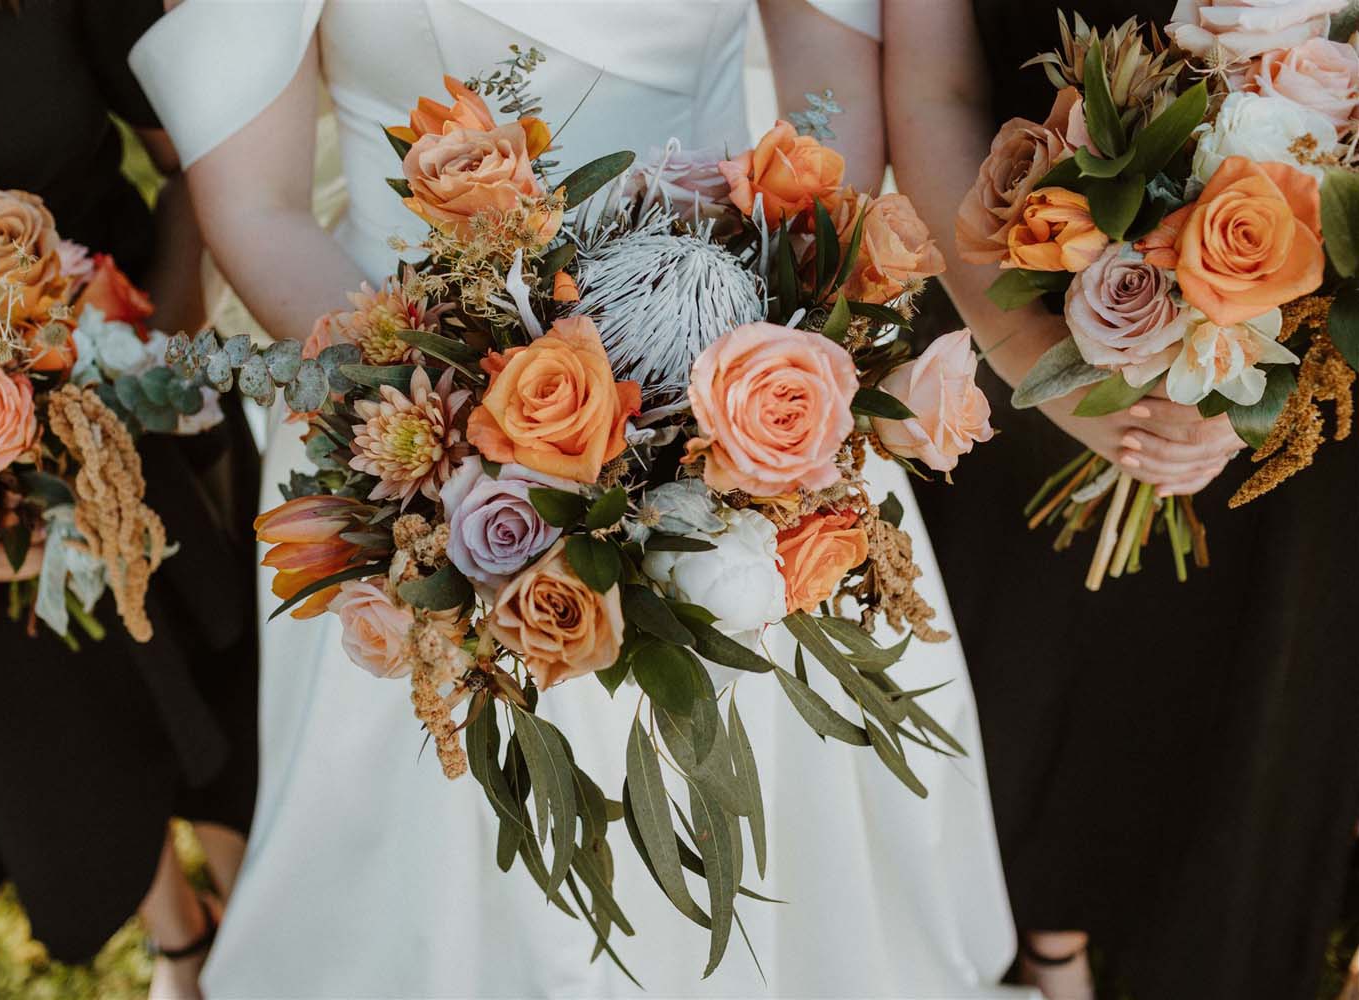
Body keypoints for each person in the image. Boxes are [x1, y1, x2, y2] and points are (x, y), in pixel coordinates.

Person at [131, 1, 1032, 996]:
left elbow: (831, 131)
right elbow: (261, 209)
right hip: (392, 379)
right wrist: (450, 440)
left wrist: (748, 384)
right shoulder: (413, 413)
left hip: (735, 361)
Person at [885, 1, 1359, 998]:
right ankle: (1042, 944)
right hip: (1012, 315)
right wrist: (1048, 373)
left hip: (1303, 392)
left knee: (1238, 766)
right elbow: (937, 90)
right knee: (1019, 730)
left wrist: (1249, 387)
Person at [0, 1, 260, 996]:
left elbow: (192, 168)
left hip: (129, 381)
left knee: (216, 688)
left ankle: (263, 930)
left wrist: (135, 392)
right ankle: (178, 930)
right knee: (60, 737)